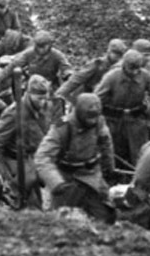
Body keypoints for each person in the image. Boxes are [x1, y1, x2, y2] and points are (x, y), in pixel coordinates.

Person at [35, 93, 116, 224]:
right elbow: (42, 157)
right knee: (60, 223)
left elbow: (106, 143)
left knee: (106, 216)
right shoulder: (62, 128)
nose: (92, 121)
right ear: (79, 112)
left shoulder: (99, 122)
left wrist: (109, 169)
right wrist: (56, 183)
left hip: (92, 177)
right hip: (68, 181)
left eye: (95, 117)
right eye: (89, 117)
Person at [0, 74, 52, 209]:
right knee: (23, 198)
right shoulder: (14, 113)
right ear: (29, 94)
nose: (43, 102)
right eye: (39, 98)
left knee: (35, 200)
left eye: (45, 98)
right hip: (13, 159)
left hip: (32, 157)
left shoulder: (45, 107)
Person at [95, 49, 150, 167]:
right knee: (114, 152)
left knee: (140, 152)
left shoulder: (145, 76)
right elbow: (97, 98)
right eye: (131, 69)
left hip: (136, 119)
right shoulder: (112, 77)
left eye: (137, 69)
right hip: (113, 120)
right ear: (124, 65)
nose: (134, 72)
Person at [55, 38, 126, 106]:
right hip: (85, 97)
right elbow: (77, 79)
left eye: (120, 54)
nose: (118, 57)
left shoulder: (122, 68)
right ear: (109, 51)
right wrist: (59, 94)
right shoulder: (97, 64)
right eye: (116, 53)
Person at [0, 30, 72, 92]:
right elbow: (14, 65)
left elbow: (66, 68)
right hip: (32, 86)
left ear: (49, 44)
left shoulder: (57, 55)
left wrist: (68, 75)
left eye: (43, 46)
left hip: (50, 86)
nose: (41, 49)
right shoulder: (29, 53)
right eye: (38, 46)